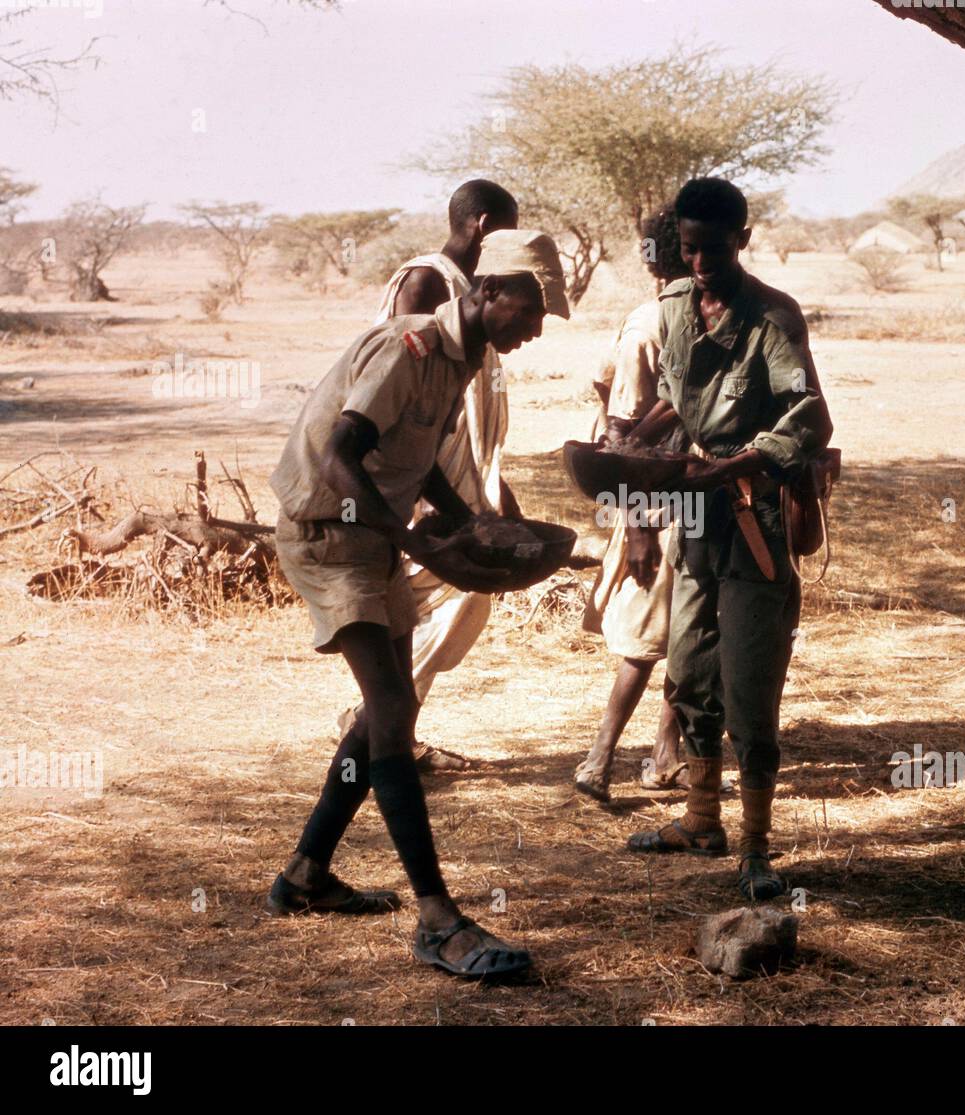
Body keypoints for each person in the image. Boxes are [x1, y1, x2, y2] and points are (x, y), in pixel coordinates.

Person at [266, 229, 570, 978]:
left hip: (370, 541)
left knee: (382, 716)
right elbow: (342, 456)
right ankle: (438, 919)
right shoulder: (408, 349)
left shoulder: (464, 360)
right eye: (528, 312)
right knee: (396, 713)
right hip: (328, 536)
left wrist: (467, 521)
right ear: (488, 291)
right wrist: (418, 540)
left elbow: (424, 455)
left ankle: (305, 875)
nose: (533, 330)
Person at [625, 178, 833, 902]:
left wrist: (743, 462)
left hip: (755, 520)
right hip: (694, 520)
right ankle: (701, 819)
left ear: (743, 240)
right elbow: (674, 402)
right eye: (689, 249)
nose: (701, 262)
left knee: (750, 679)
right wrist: (632, 441)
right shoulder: (675, 305)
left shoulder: (774, 315)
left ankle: (755, 844)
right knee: (688, 665)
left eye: (714, 248)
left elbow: (811, 417)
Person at [335, 180, 522, 773]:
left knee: (460, 599)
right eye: (506, 233)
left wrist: (491, 486)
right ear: (482, 223)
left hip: (456, 467)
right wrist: (427, 487)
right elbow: (405, 389)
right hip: (415, 473)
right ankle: (379, 730)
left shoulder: (477, 291)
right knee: (440, 593)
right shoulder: (426, 281)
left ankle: (388, 730)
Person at [574, 206, 693, 802]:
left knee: (689, 636)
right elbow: (622, 430)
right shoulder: (652, 323)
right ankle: (599, 759)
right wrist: (639, 524)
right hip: (659, 504)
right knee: (645, 640)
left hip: (701, 497)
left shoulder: (703, 315)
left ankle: (665, 754)